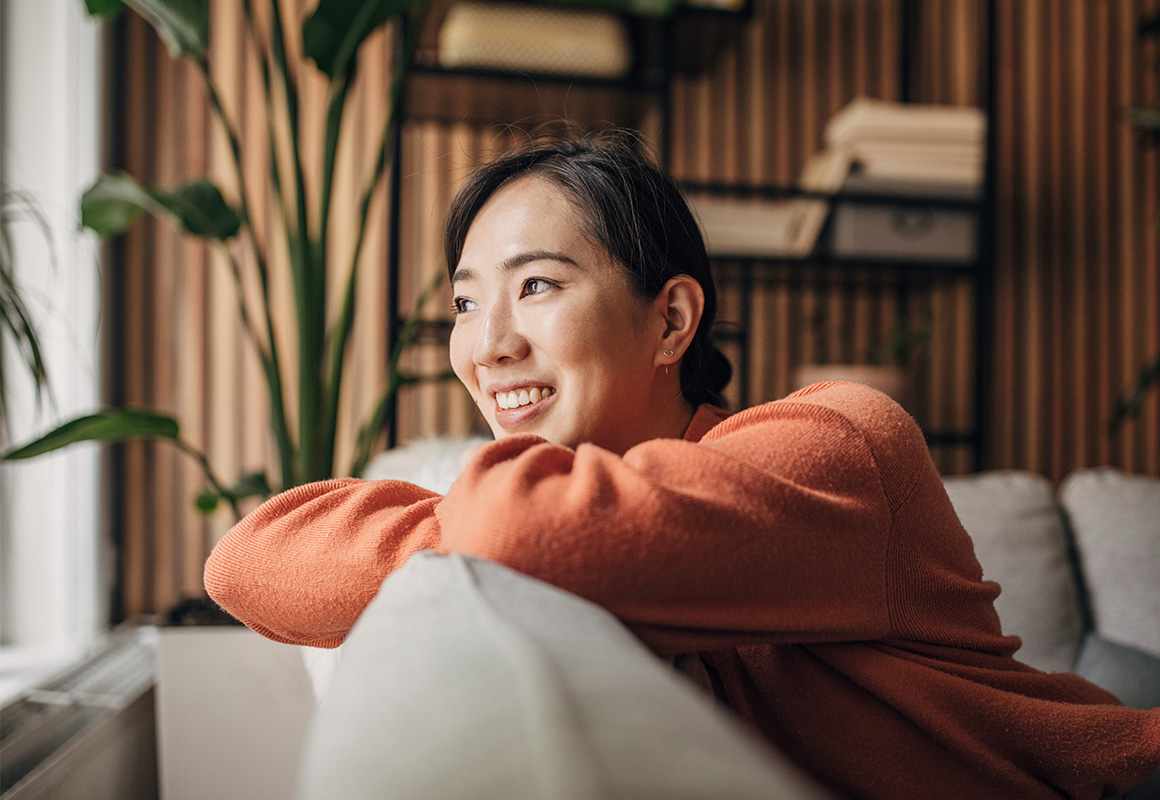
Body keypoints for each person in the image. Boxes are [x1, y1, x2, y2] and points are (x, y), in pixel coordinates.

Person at [205, 132, 1160, 799]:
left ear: (671, 320)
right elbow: (246, 561)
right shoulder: (587, 503)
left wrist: (464, 521)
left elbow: (511, 526)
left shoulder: (837, 442)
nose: (487, 345)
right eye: (464, 303)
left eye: (535, 285)